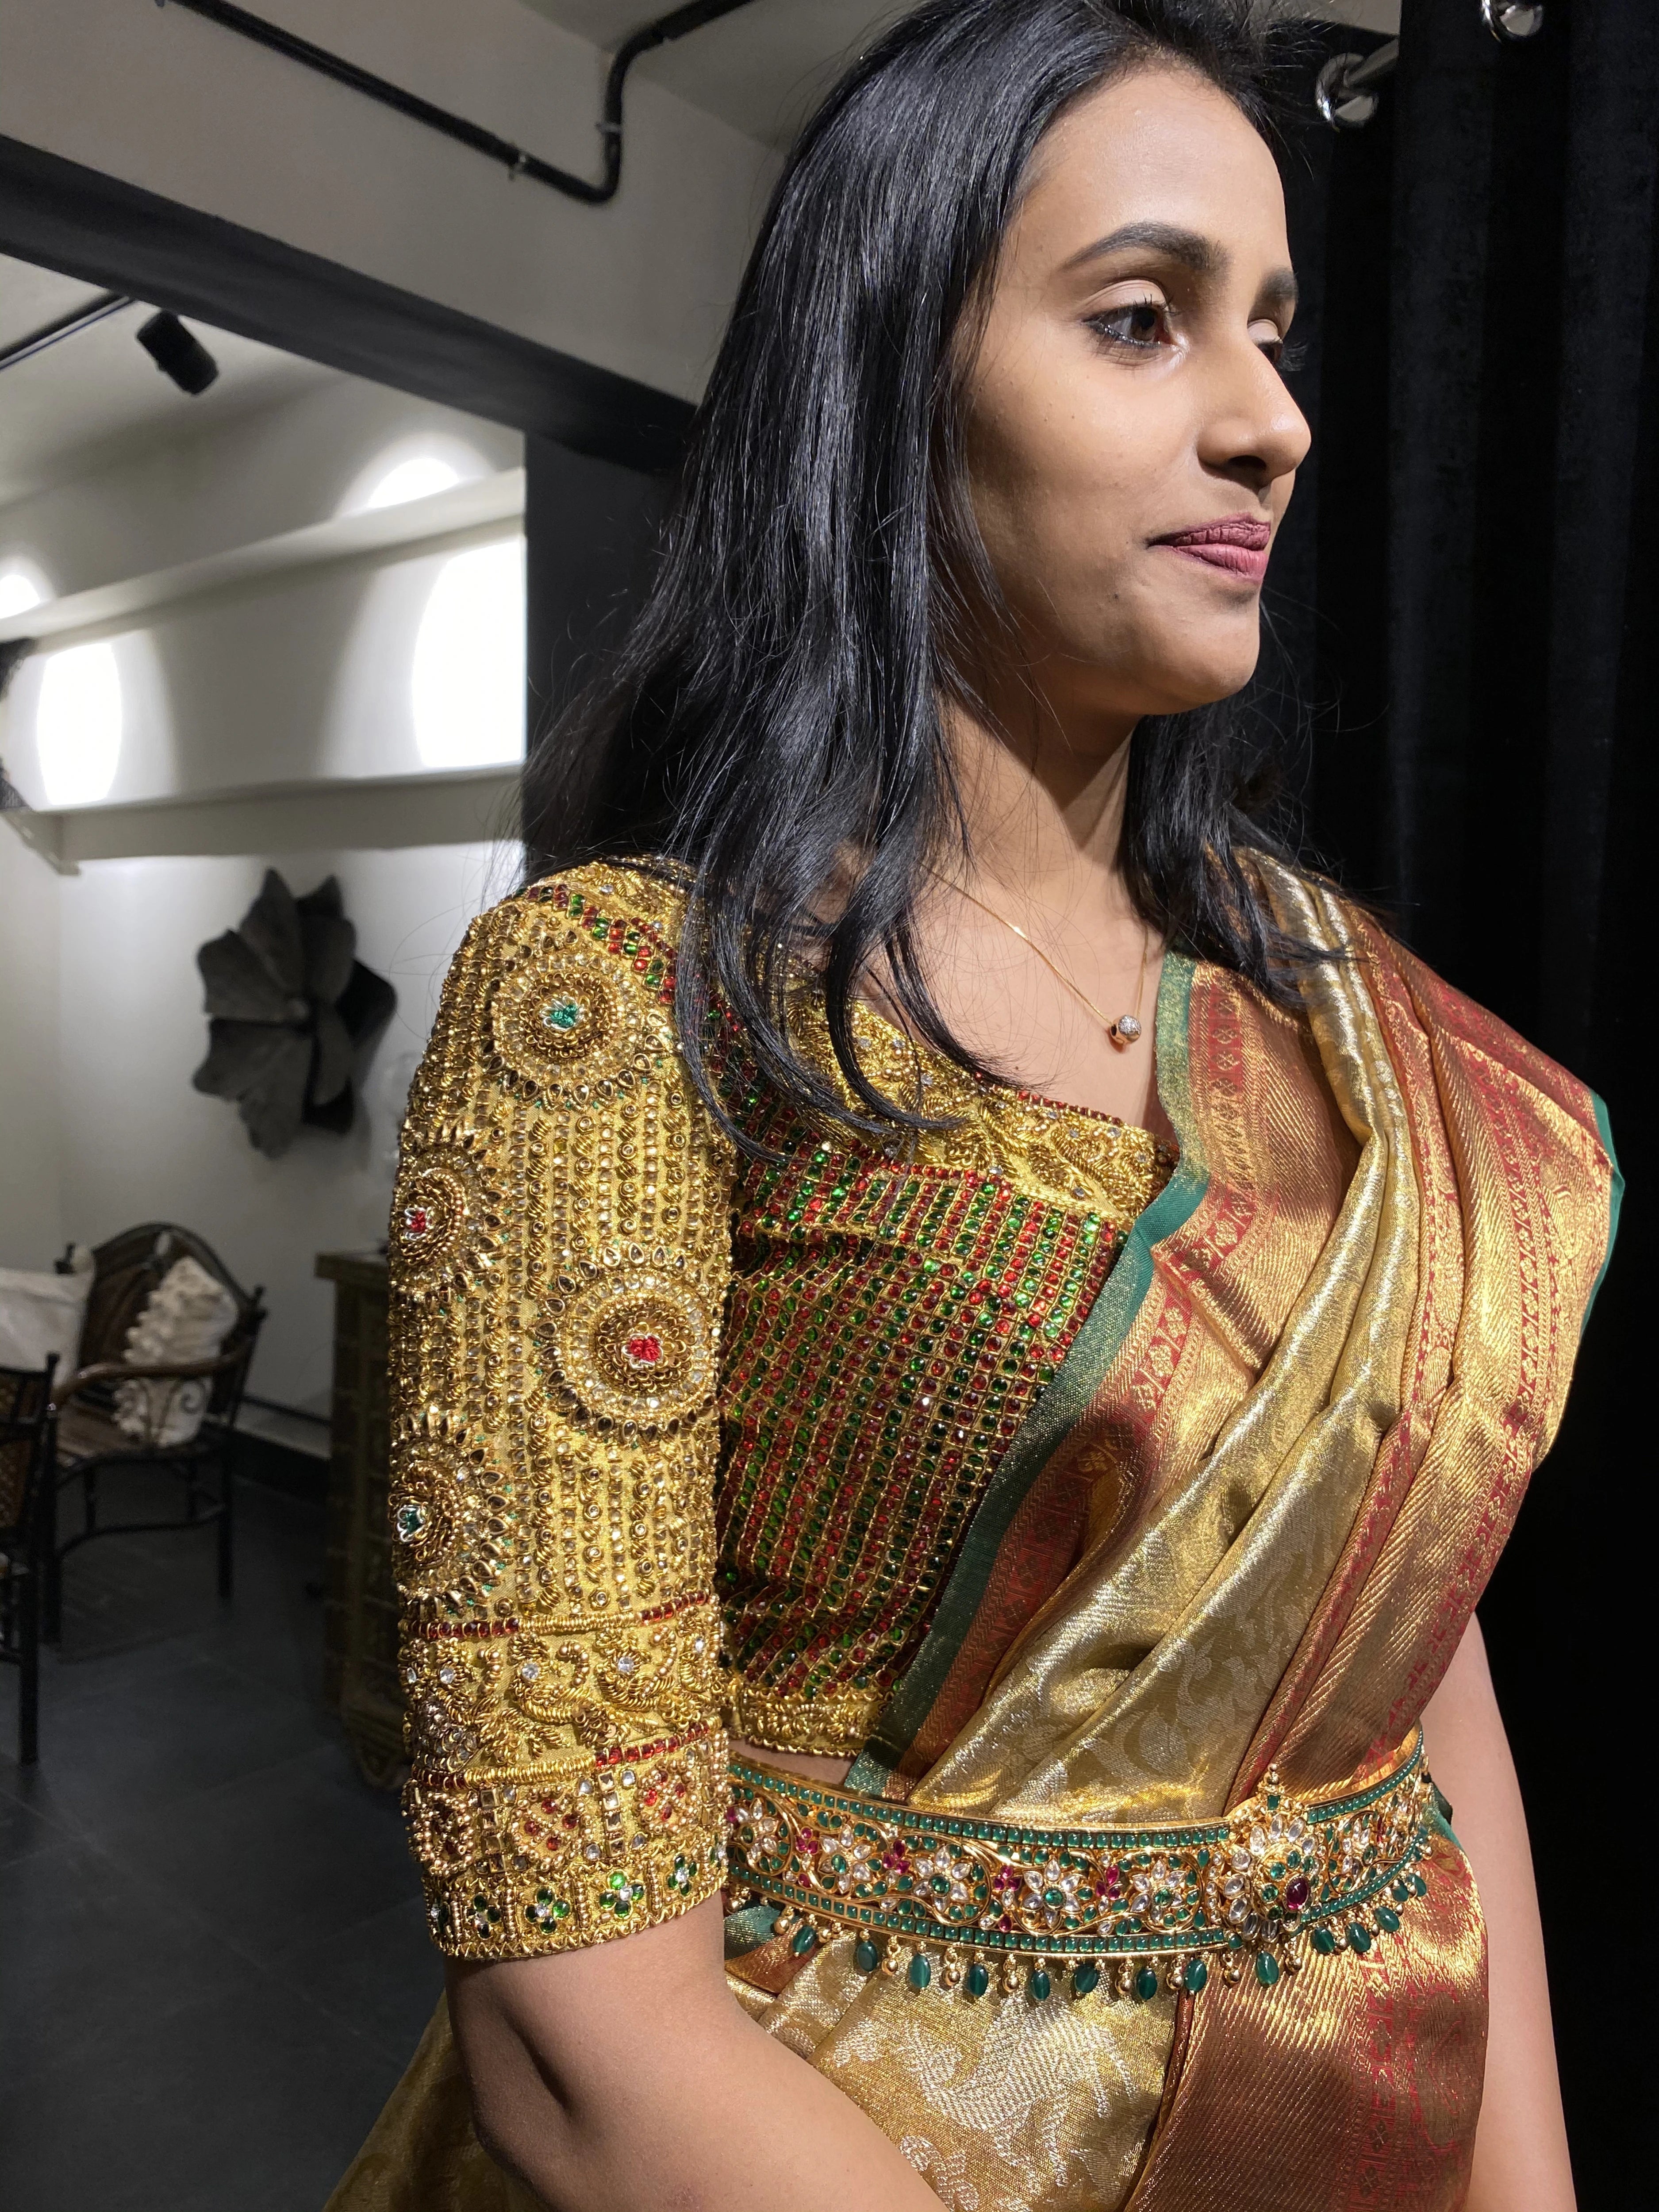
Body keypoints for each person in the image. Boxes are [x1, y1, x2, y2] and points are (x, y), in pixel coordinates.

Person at [328, 4, 1617, 2207]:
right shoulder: (625, 1008)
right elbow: (571, 2028)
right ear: (886, 385)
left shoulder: (1324, 1028)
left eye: (1276, 333)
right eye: (1142, 320)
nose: (1273, 421)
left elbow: (1397, 1635)